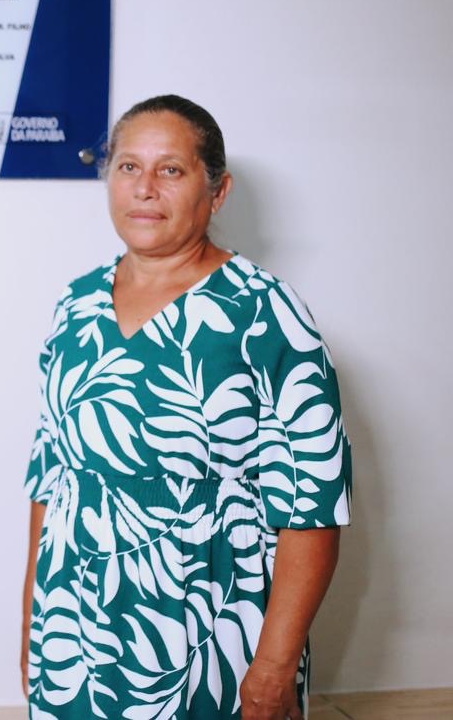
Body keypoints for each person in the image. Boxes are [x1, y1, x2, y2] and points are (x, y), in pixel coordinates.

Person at [20, 95, 352, 719]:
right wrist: (34, 631)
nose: (144, 188)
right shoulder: (77, 304)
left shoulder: (265, 312)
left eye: (170, 169)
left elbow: (314, 506)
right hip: (76, 627)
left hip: (212, 627)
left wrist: (274, 668)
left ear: (217, 192)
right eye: (128, 167)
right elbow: (50, 481)